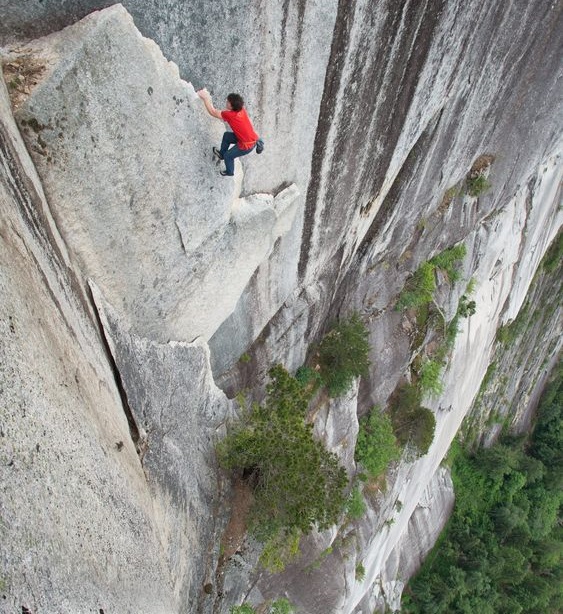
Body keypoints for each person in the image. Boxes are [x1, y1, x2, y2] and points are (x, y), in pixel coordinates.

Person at [197, 88, 258, 176]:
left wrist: (205, 98)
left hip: (246, 145)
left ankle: (230, 172)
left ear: (232, 106)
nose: (226, 102)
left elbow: (213, 112)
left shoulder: (230, 115)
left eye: (228, 102)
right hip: (250, 139)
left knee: (228, 156)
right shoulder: (241, 110)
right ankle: (221, 154)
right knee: (227, 136)